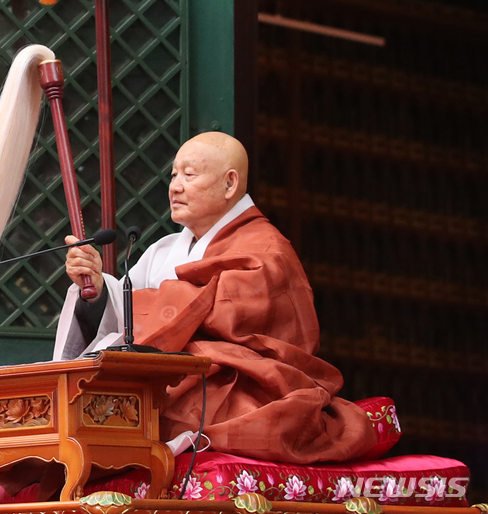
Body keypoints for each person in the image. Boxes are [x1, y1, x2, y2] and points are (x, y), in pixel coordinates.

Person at [53, 131, 377, 464]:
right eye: (174, 175)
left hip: (240, 388)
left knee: (141, 405)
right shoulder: (163, 250)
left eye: (189, 175)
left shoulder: (266, 250)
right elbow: (128, 325)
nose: (175, 186)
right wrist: (97, 289)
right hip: (170, 386)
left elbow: (218, 324)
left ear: (230, 184)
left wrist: (167, 326)